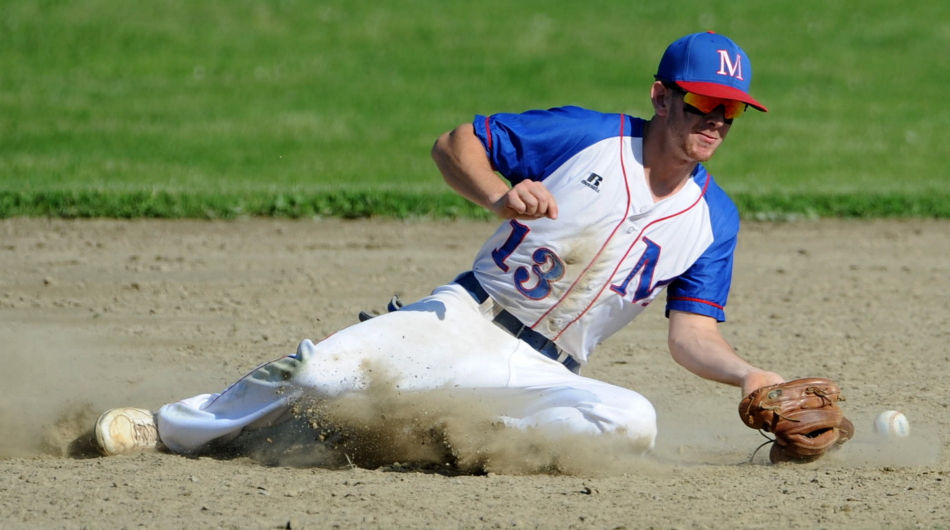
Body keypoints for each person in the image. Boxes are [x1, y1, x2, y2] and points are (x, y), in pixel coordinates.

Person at [94, 31, 786, 462]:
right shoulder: (585, 137)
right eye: (703, 103)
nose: (716, 121)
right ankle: (172, 427)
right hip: (465, 320)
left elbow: (692, 334)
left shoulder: (712, 219)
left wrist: (749, 376)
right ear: (661, 97)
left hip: (547, 372)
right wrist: (496, 195)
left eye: (730, 110)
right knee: (320, 378)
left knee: (631, 422)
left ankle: (439, 438)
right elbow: (454, 143)